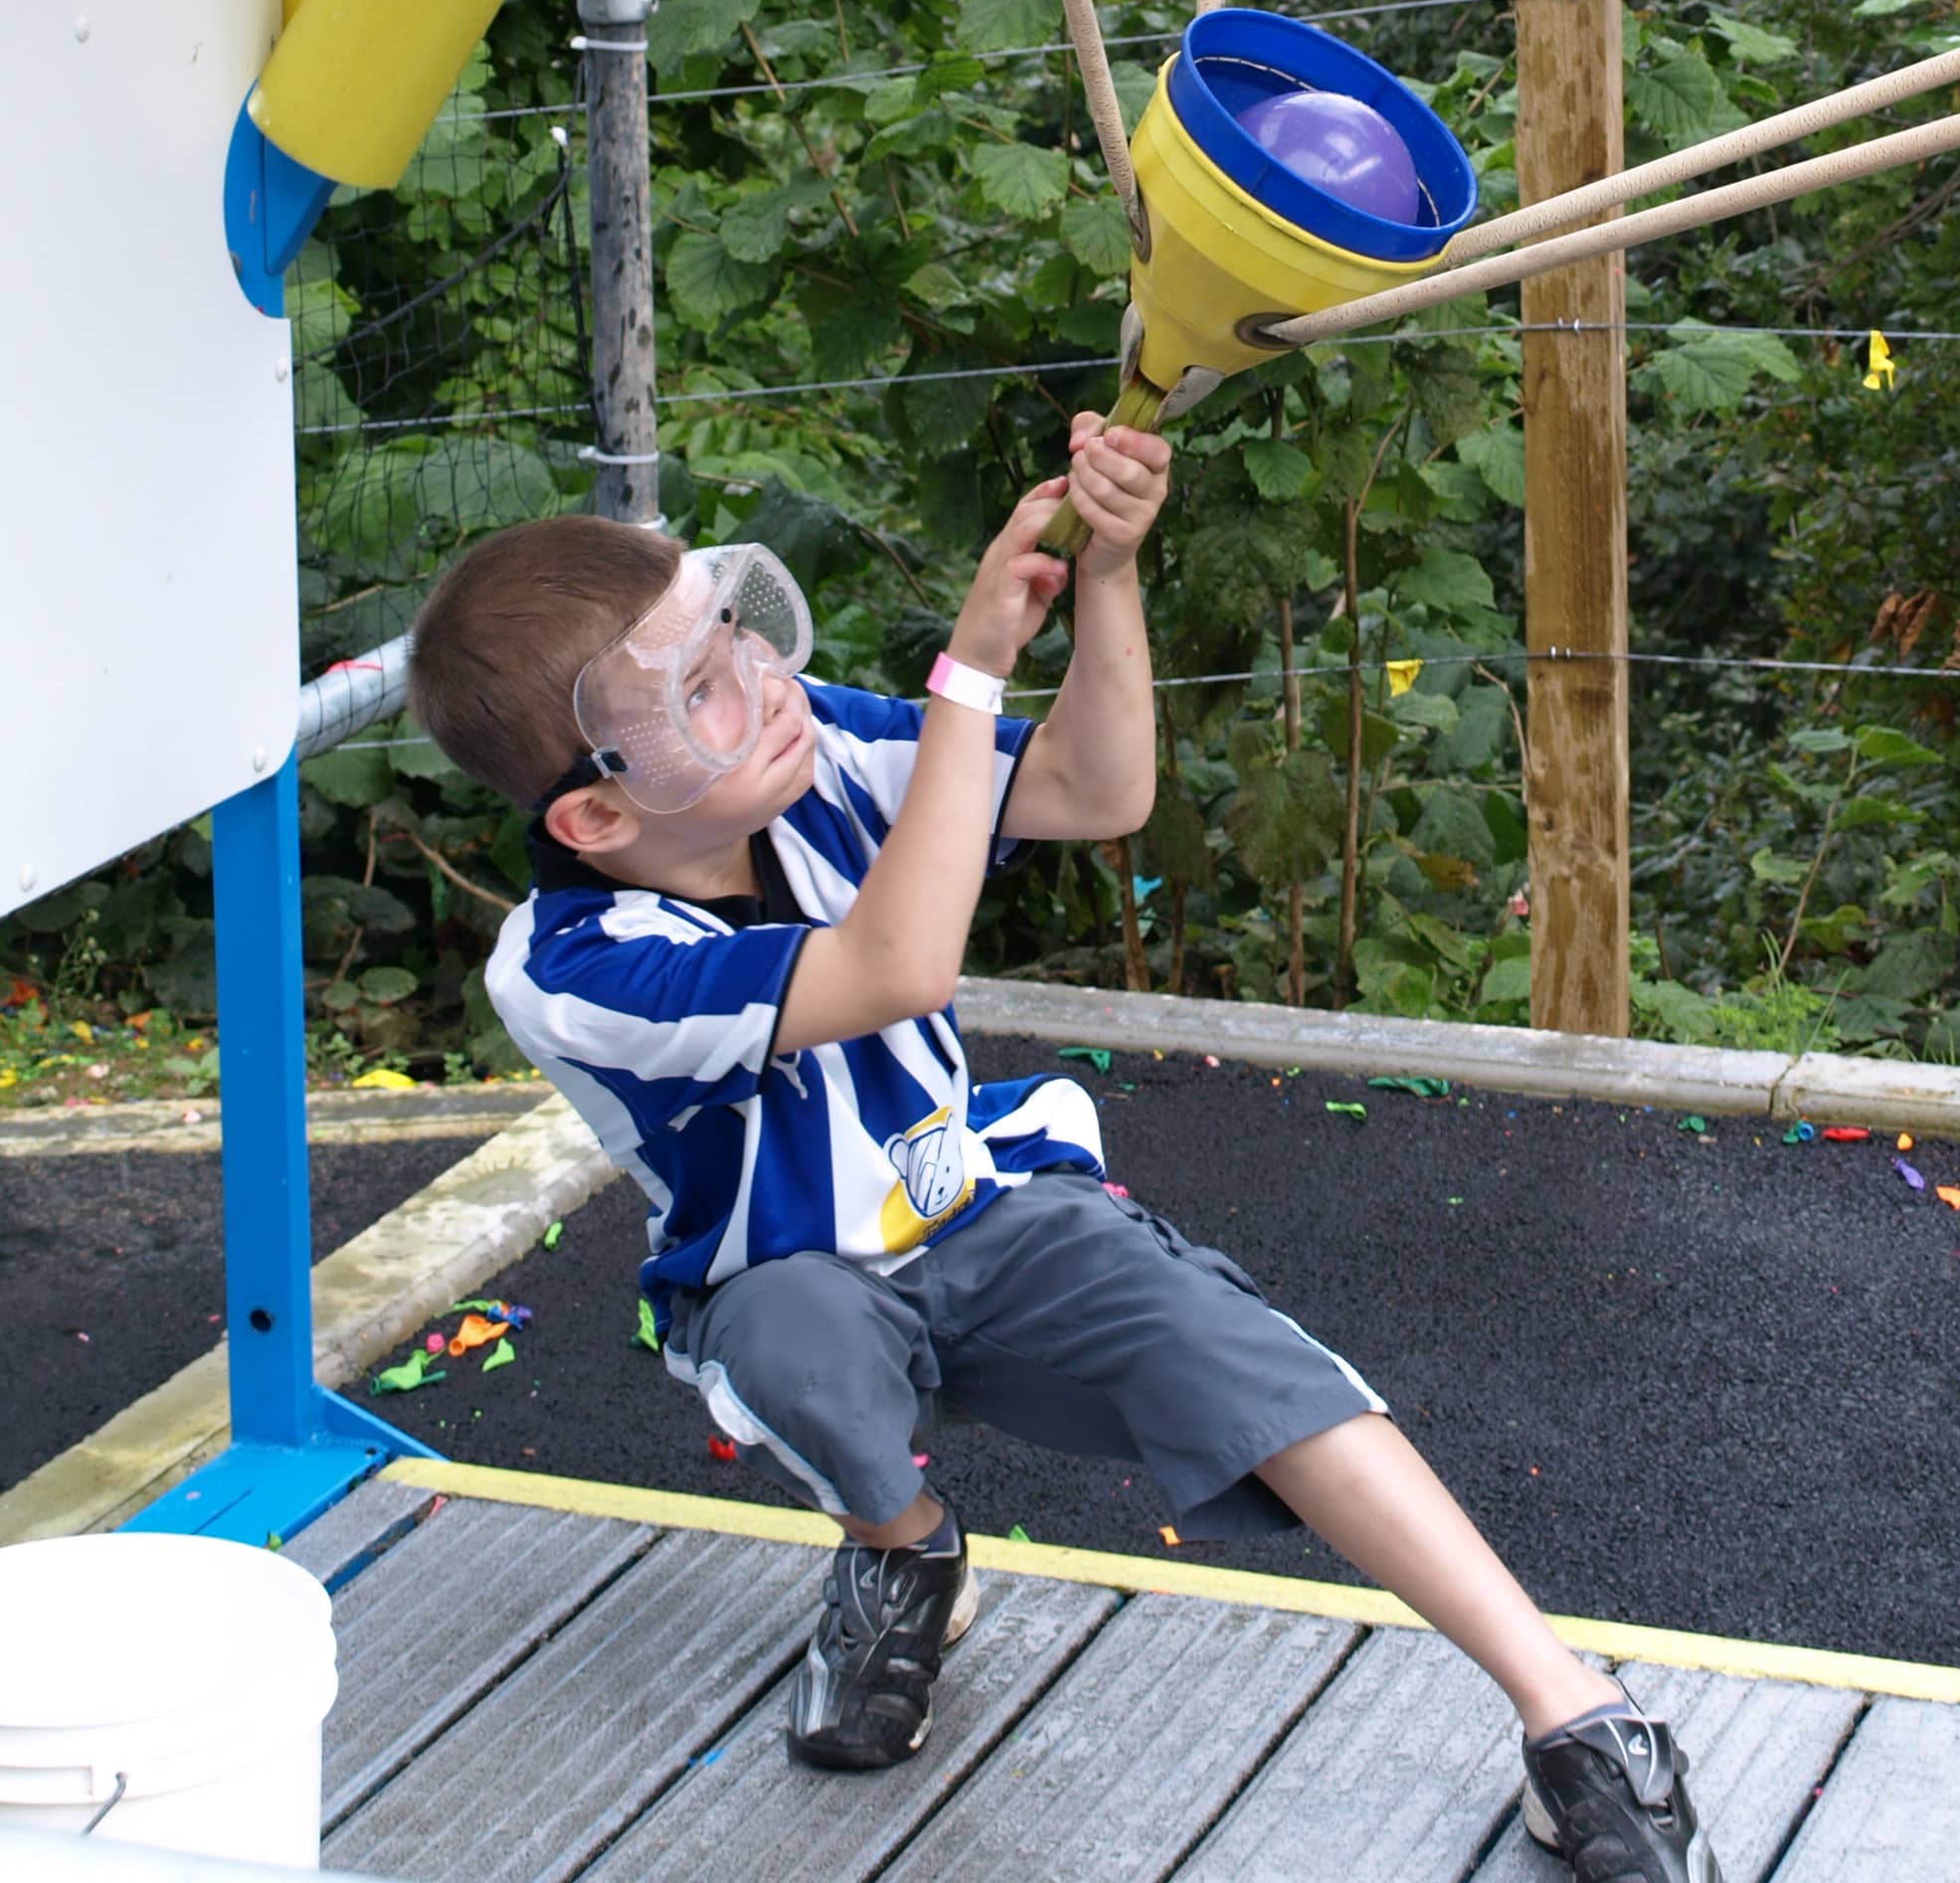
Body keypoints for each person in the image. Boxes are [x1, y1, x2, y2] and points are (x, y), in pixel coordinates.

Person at [407, 415, 1718, 1881]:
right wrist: (967, 675)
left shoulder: (816, 745)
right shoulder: (571, 963)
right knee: (795, 1339)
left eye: (737, 638)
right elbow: (891, 965)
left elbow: (1100, 794)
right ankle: (904, 1548)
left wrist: (1105, 577)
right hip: (782, 1271)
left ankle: (1573, 1714)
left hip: (980, 1206)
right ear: (591, 811)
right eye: (698, 692)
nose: (764, 686)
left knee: (1235, 1348)